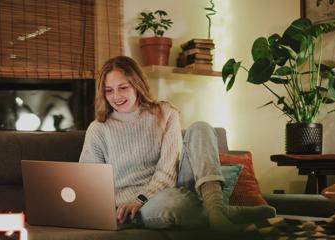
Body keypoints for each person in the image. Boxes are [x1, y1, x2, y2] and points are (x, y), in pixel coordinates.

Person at [79, 56, 276, 233]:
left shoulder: (165, 113)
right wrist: (131, 204)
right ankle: (229, 213)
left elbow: (167, 173)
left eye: (123, 88)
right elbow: (89, 185)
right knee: (175, 204)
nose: (116, 96)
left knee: (201, 127)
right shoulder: (98, 129)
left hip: (170, 184)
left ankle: (216, 210)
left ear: (137, 85)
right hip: (140, 204)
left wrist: (141, 197)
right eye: (109, 90)